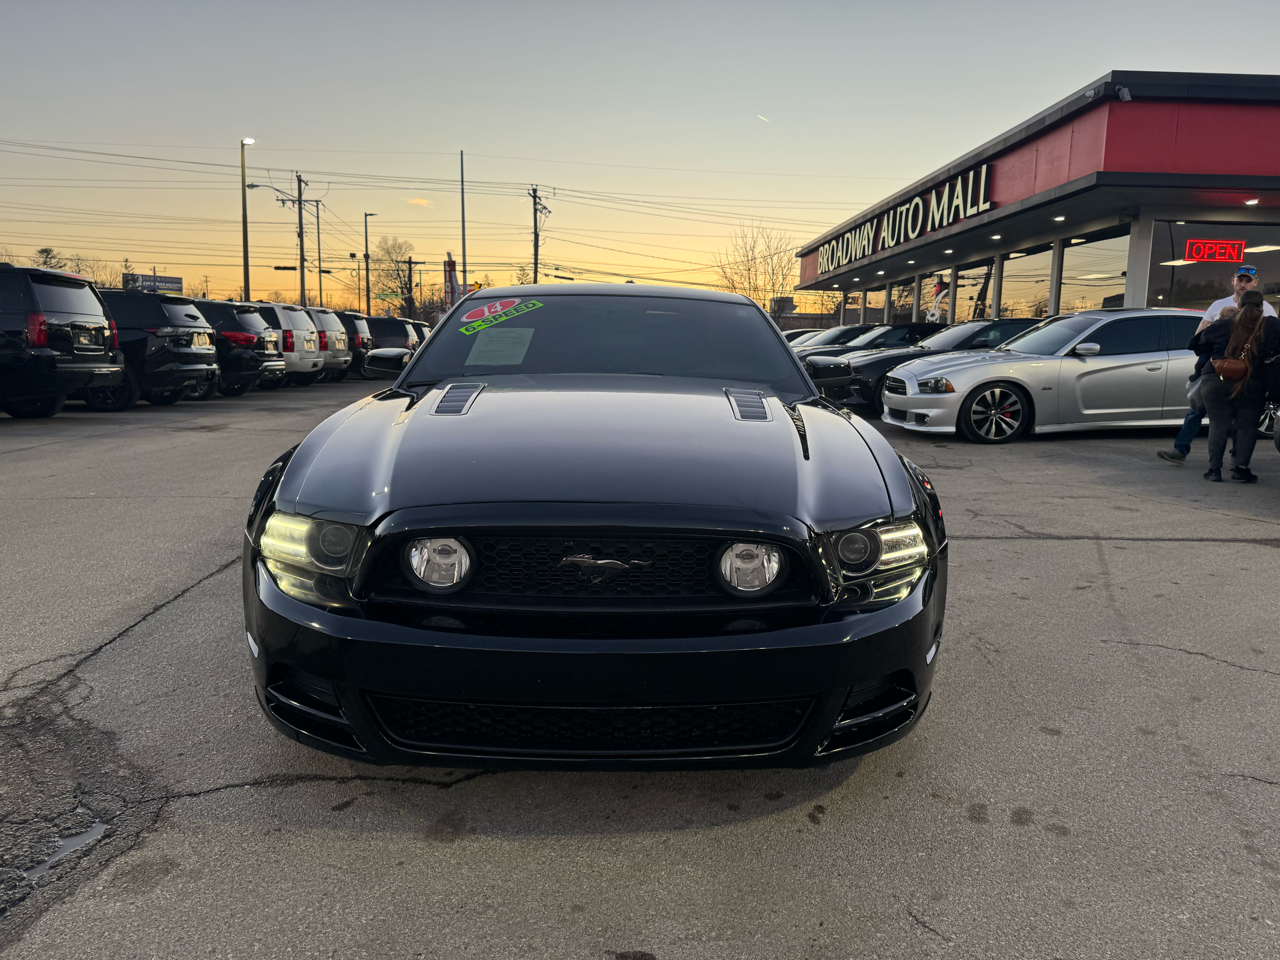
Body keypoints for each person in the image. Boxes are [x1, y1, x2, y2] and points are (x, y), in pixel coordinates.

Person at [1157, 264, 1276, 464]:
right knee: (1198, 411)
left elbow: (1270, 340)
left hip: (1246, 372)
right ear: (1233, 281)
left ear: (1255, 283)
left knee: (1240, 419)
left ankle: (1235, 461)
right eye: (1240, 280)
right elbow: (1198, 337)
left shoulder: (1267, 309)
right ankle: (1180, 450)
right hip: (1217, 369)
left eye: (1248, 281)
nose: (1243, 284)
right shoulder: (1217, 306)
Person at [1196, 290, 1280, 482]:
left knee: (1218, 425)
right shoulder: (1272, 326)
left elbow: (1197, 344)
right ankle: (1241, 469)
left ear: (1239, 306)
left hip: (1216, 377)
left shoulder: (1223, 324)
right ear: (1262, 307)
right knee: (1246, 426)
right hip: (1251, 380)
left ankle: (1214, 470)